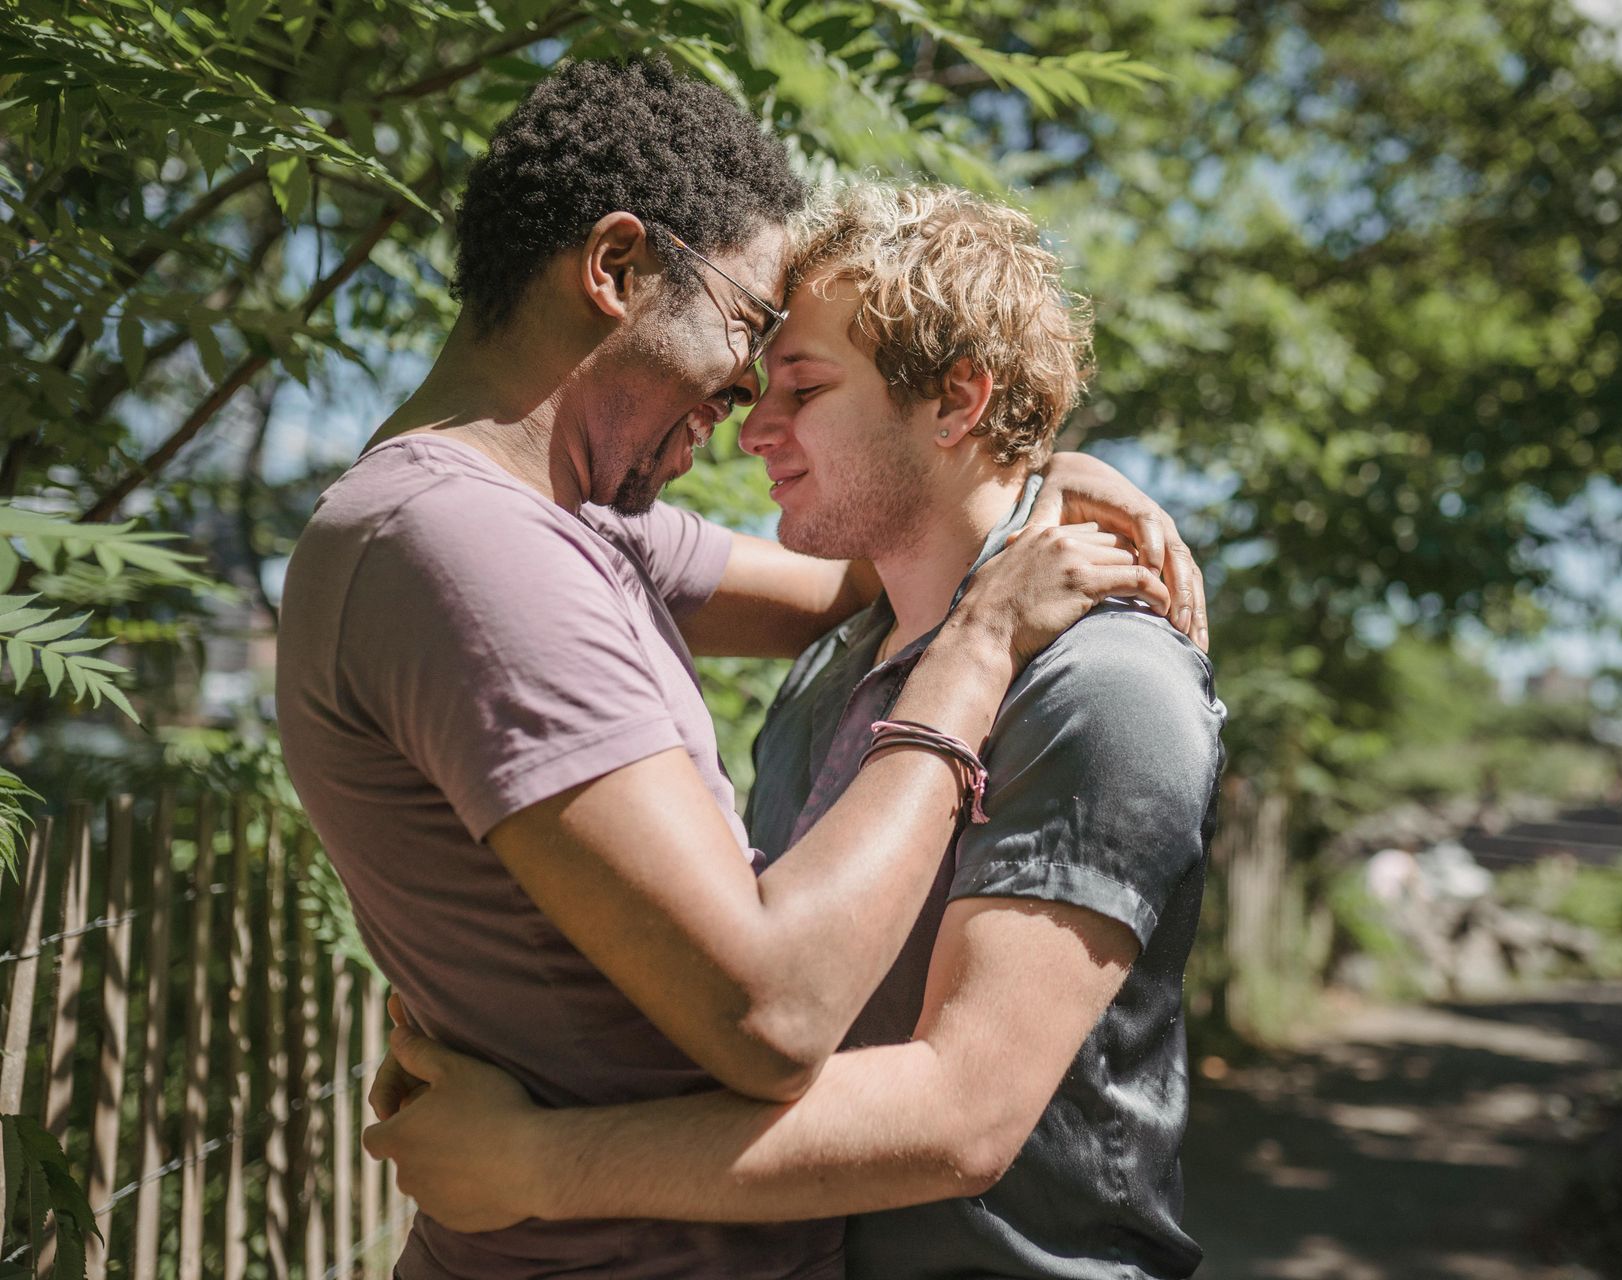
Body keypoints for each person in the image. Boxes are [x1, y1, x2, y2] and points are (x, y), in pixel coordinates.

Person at [275, 62, 1203, 1280]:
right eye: (747, 324)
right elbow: (775, 1012)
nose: (746, 398)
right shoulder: (467, 546)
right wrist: (981, 638)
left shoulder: (566, 527)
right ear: (616, 269)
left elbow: (858, 571)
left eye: (794, 376)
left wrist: (1035, 476)